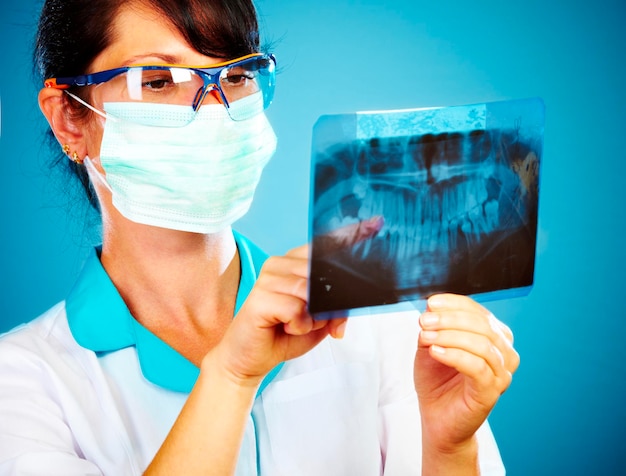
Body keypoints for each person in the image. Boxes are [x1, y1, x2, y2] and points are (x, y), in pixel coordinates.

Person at [0, 0, 520, 474]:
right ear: (71, 118)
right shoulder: (21, 381)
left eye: (237, 75)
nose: (210, 108)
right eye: (158, 81)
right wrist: (230, 375)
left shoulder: (376, 328)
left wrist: (450, 449)